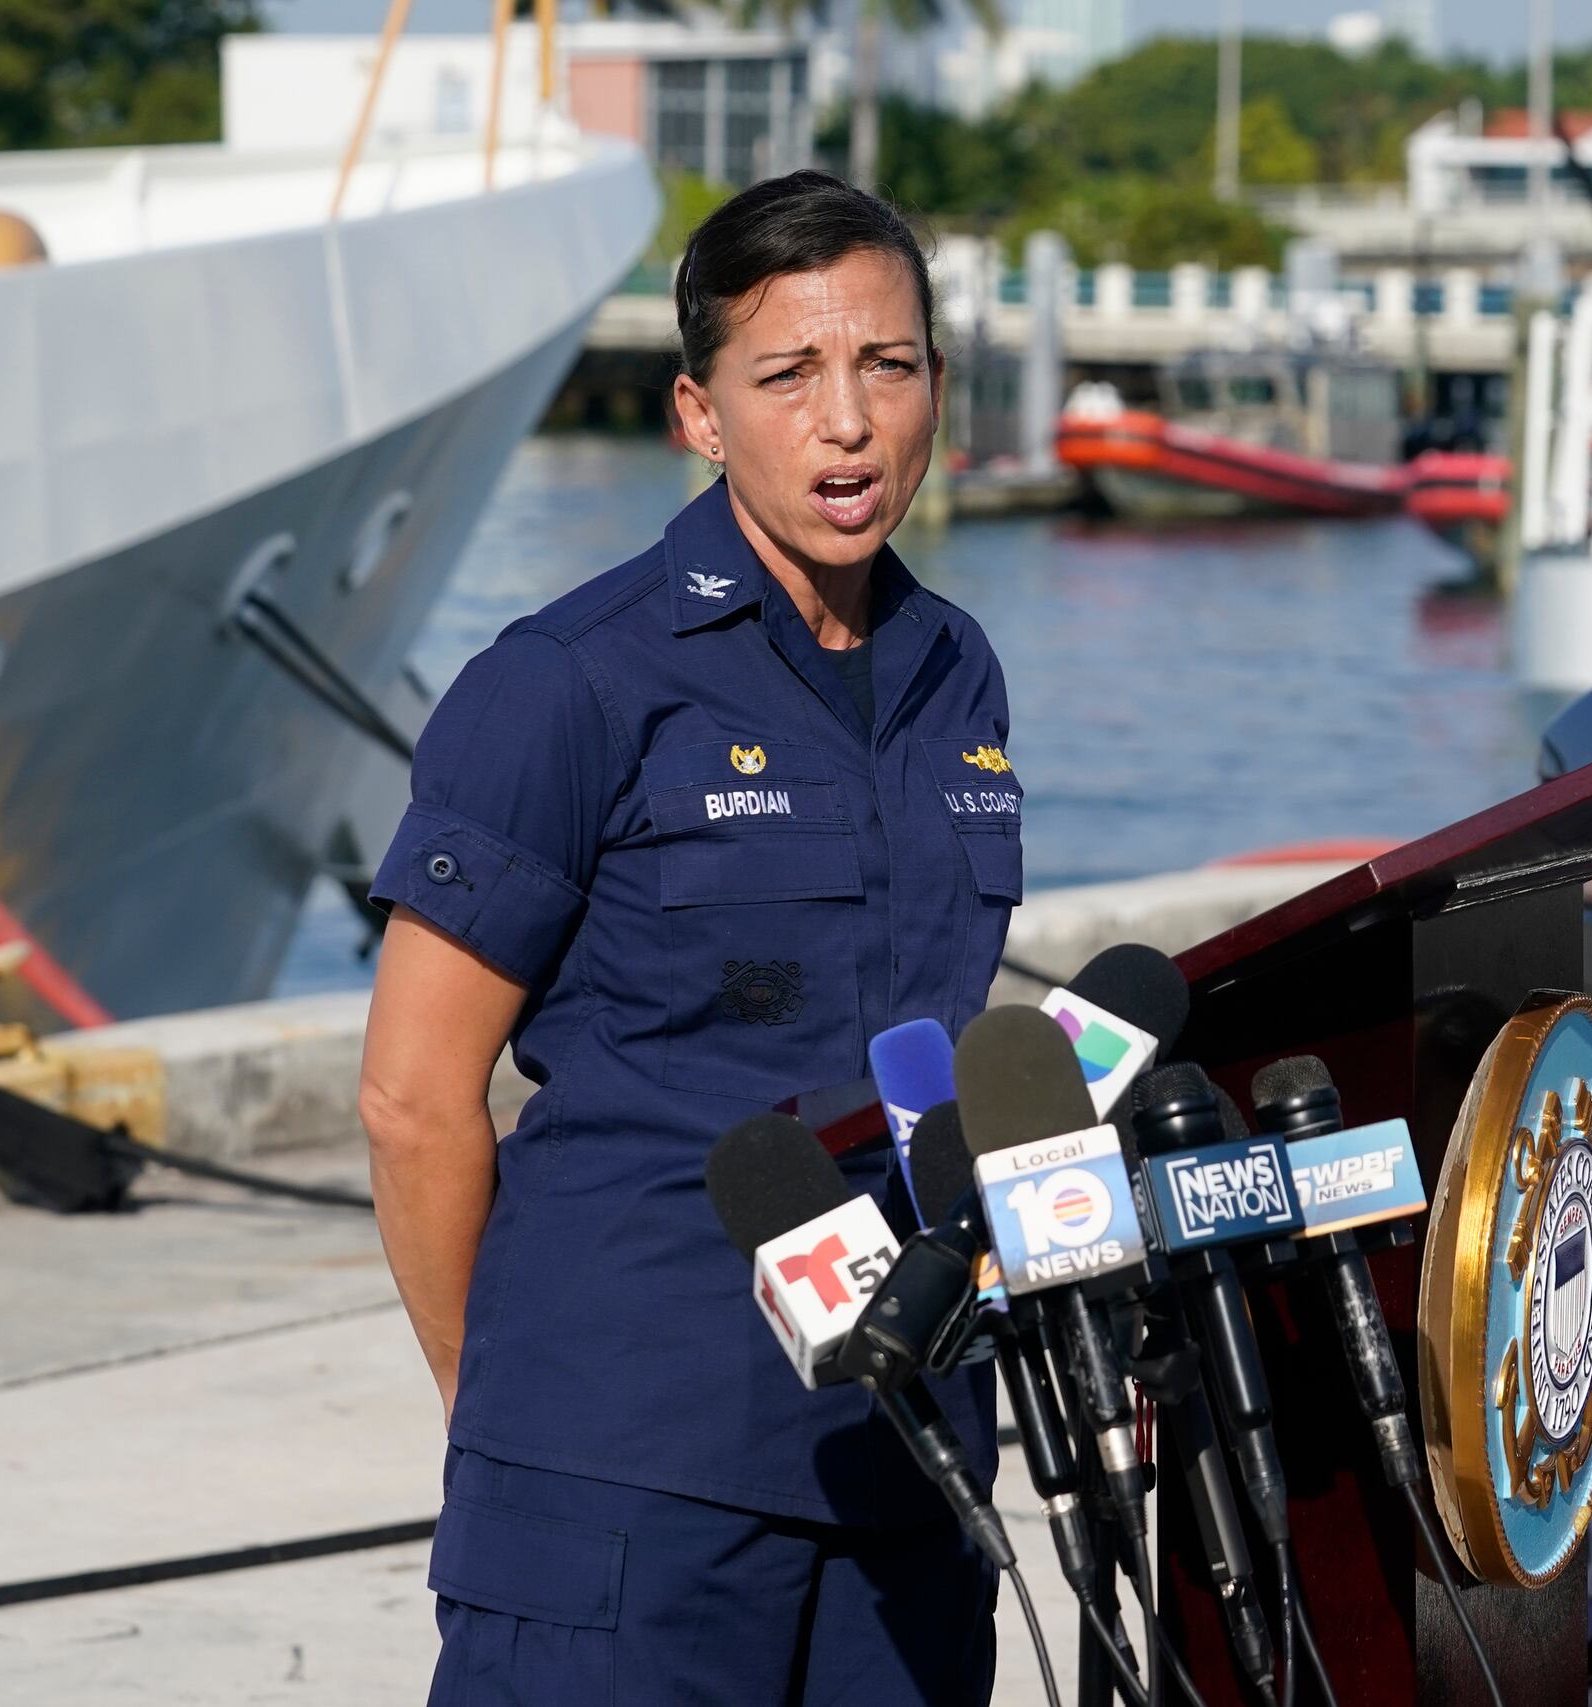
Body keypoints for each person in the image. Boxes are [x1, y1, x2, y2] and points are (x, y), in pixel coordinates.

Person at [357, 171, 1016, 1705]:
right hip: (627, 1481)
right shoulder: (568, 686)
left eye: (888, 366)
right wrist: (513, 1411)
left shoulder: (956, 673)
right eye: (787, 375)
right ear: (700, 416)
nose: (846, 420)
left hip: (905, 1459)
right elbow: (410, 1098)